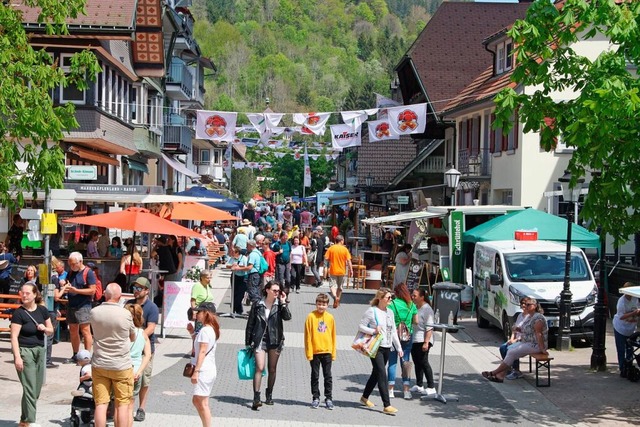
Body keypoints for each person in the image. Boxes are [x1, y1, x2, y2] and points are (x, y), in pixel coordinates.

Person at [89, 283, 136, 427]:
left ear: (105, 294)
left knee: (101, 404)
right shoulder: (126, 314)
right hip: (121, 364)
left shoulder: (94, 312)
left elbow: (92, 333)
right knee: (122, 403)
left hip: (100, 363)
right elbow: (133, 336)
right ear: (120, 297)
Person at [10, 282, 54, 427]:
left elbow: (51, 330)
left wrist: (44, 329)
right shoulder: (18, 313)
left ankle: (24, 420)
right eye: (22, 292)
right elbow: (14, 337)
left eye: (27, 293)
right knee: (29, 388)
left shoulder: (42, 310)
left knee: (36, 389)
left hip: (40, 350)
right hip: (25, 351)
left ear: (35, 294)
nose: (24, 295)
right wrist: (17, 357)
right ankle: (31, 421)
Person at [245, 281, 292, 410]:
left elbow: (287, 317)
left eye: (278, 291)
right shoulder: (258, 304)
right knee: (259, 368)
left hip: (275, 339)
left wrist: (283, 302)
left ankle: (269, 393)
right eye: (274, 290)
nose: (277, 293)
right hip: (260, 339)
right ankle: (256, 397)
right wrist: (248, 342)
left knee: (272, 369)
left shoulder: (279, 305)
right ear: (267, 290)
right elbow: (250, 324)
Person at [482, 297, 548, 382]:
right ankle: (500, 375)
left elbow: (539, 334)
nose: (526, 306)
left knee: (512, 352)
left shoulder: (538, 318)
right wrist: (518, 330)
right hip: (527, 342)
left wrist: (542, 349)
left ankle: (494, 373)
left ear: (534, 306)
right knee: (510, 350)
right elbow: (527, 330)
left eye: (528, 305)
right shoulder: (529, 317)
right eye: (525, 304)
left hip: (535, 345)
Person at [358, 287, 402, 415]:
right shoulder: (372, 311)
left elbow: (393, 330)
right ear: (380, 298)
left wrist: (398, 347)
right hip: (375, 347)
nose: (390, 299)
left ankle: (364, 397)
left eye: (391, 297)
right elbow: (361, 326)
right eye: (388, 297)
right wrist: (373, 331)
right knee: (382, 373)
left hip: (387, 346)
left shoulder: (390, 312)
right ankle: (386, 405)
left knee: (376, 373)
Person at [125, 277, 159, 422]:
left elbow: (151, 327)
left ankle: (141, 408)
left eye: (139, 288)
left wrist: (139, 337)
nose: (136, 291)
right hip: (128, 348)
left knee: (144, 380)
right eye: (134, 288)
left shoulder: (152, 307)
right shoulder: (128, 304)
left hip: (145, 350)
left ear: (146, 290)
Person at [62, 252, 96, 363]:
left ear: (80, 262)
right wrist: (65, 285)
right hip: (71, 304)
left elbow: (92, 290)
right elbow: (69, 284)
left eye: (73, 264)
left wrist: (76, 291)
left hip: (83, 305)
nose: (71, 266)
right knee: (73, 330)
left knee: (85, 331)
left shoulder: (88, 272)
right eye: (70, 264)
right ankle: (75, 355)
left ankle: (86, 356)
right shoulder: (71, 272)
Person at [304, 293, 336, 409]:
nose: (321, 306)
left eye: (323, 304)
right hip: (315, 352)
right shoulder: (311, 317)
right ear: (316, 304)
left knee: (328, 376)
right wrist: (309, 352)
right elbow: (307, 336)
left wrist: (333, 352)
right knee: (315, 375)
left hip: (327, 351)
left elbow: (333, 335)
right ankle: (315, 397)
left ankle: (328, 398)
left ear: (327, 305)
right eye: (319, 304)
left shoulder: (330, 318)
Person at [190, 302, 220, 427]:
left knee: (199, 402)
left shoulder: (205, 330)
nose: (196, 314)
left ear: (206, 313)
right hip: (209, 368)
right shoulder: (211, 329)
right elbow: (200, 348)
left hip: (204, 370)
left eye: (199, 312)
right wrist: (192, 333)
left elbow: (202, 351)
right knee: (201, 402)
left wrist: (196, 371)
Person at [387, 283, 417, 399]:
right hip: (407, 336)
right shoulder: (411, 305)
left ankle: (390, 390)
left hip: (394, 336)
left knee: (392, 362)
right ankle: (406, 390)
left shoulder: (392, 304)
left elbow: (388, 319)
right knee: (406, 362)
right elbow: (416, 321)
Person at [124, 303, 152, 426]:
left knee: (119, 406)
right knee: (130, 406)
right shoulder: (143, 334)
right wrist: (140, 371)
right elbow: (148, 355)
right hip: (135, 371)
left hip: (122, 368)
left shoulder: (123, 333)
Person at [409, 288, 436, 395]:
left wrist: (426, 342)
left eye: (415, 295)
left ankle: (431, 386)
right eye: (412, 295)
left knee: (424, 362)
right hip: (414, 338)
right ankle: (419, 384)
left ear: (422, 297)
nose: (412, 297)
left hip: (423, 339)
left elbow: (429, 327)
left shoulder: (427, 309)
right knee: (417, 362)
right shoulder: (415, 307)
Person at [613, 282, 640, 376]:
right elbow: (621, 316)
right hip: (620, 327)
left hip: (631, 328)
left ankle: (629, 366)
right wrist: (634, 313)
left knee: (630, 347)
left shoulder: (635, 298)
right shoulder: (621, 301)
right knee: (621, 349)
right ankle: (622, 368)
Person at [500, 298, 530, 380]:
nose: (523, 305)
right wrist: (511, 339)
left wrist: (516, 340)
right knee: (503, 347)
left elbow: (527, 333)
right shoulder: (520, 315)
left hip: (523, 340)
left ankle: (516, 371)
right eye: (522, 303)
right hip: (516, 338)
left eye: (525, 303)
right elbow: (514, 329)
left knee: (512, 349)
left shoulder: (530, 318)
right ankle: (509, 369)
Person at [188, 271, 216, 351]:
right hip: (200, 311)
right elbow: (193, 300)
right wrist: (194, 312)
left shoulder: (207, 285)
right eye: (207, 278)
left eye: (210, 277)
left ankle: (206, 348)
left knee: (208, 329)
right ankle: (195, 350)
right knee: (199, 332)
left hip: (209, 311)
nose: (209, 279)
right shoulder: (197, 286)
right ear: (202, 277)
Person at [324, 235, 353, 309]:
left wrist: (326, 269)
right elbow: (349, 260)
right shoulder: (345, 249)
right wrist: (351, 270)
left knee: (332, 286)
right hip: (342, 271)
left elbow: (326, 258)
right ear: (342, 240)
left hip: (333, 270)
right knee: (340, 287)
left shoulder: (331, 248)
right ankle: (338, 300)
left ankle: (334, 297)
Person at [234, 239, 260, 304]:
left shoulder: (253, 254)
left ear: (251, 246)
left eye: (247, 246)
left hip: (253, 275)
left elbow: (249, 267)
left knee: (252, 292)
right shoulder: (258, 252)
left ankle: (257, 308)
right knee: (254, 291)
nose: (246, 247)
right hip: (256, 275)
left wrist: (238, 268)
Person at [226, 246, 248, 316]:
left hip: (242, 277)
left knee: (240, 294)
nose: (231, 253)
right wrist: (232, 266)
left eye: (233, 252)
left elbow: (246, 268)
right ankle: (238, 310)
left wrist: (239, 267)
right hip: (234, 276)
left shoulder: (244, 258)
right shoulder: (232, 258)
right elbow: (227, 265)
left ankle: (233, 308)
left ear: (237, 252)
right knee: (234, 293)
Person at [272, 231, 292, 297]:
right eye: (285, 236)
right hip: (280, 263)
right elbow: (273, 254)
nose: (286, 237)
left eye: (287, 236)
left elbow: (290, 252)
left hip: (287, 263)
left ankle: (286, 294)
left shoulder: (288, 243)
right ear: (282, 237)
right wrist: (278, 252)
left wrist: (290, 262)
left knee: (288, 280)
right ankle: (280, 294)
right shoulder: (277, 244)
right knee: (280, 280)